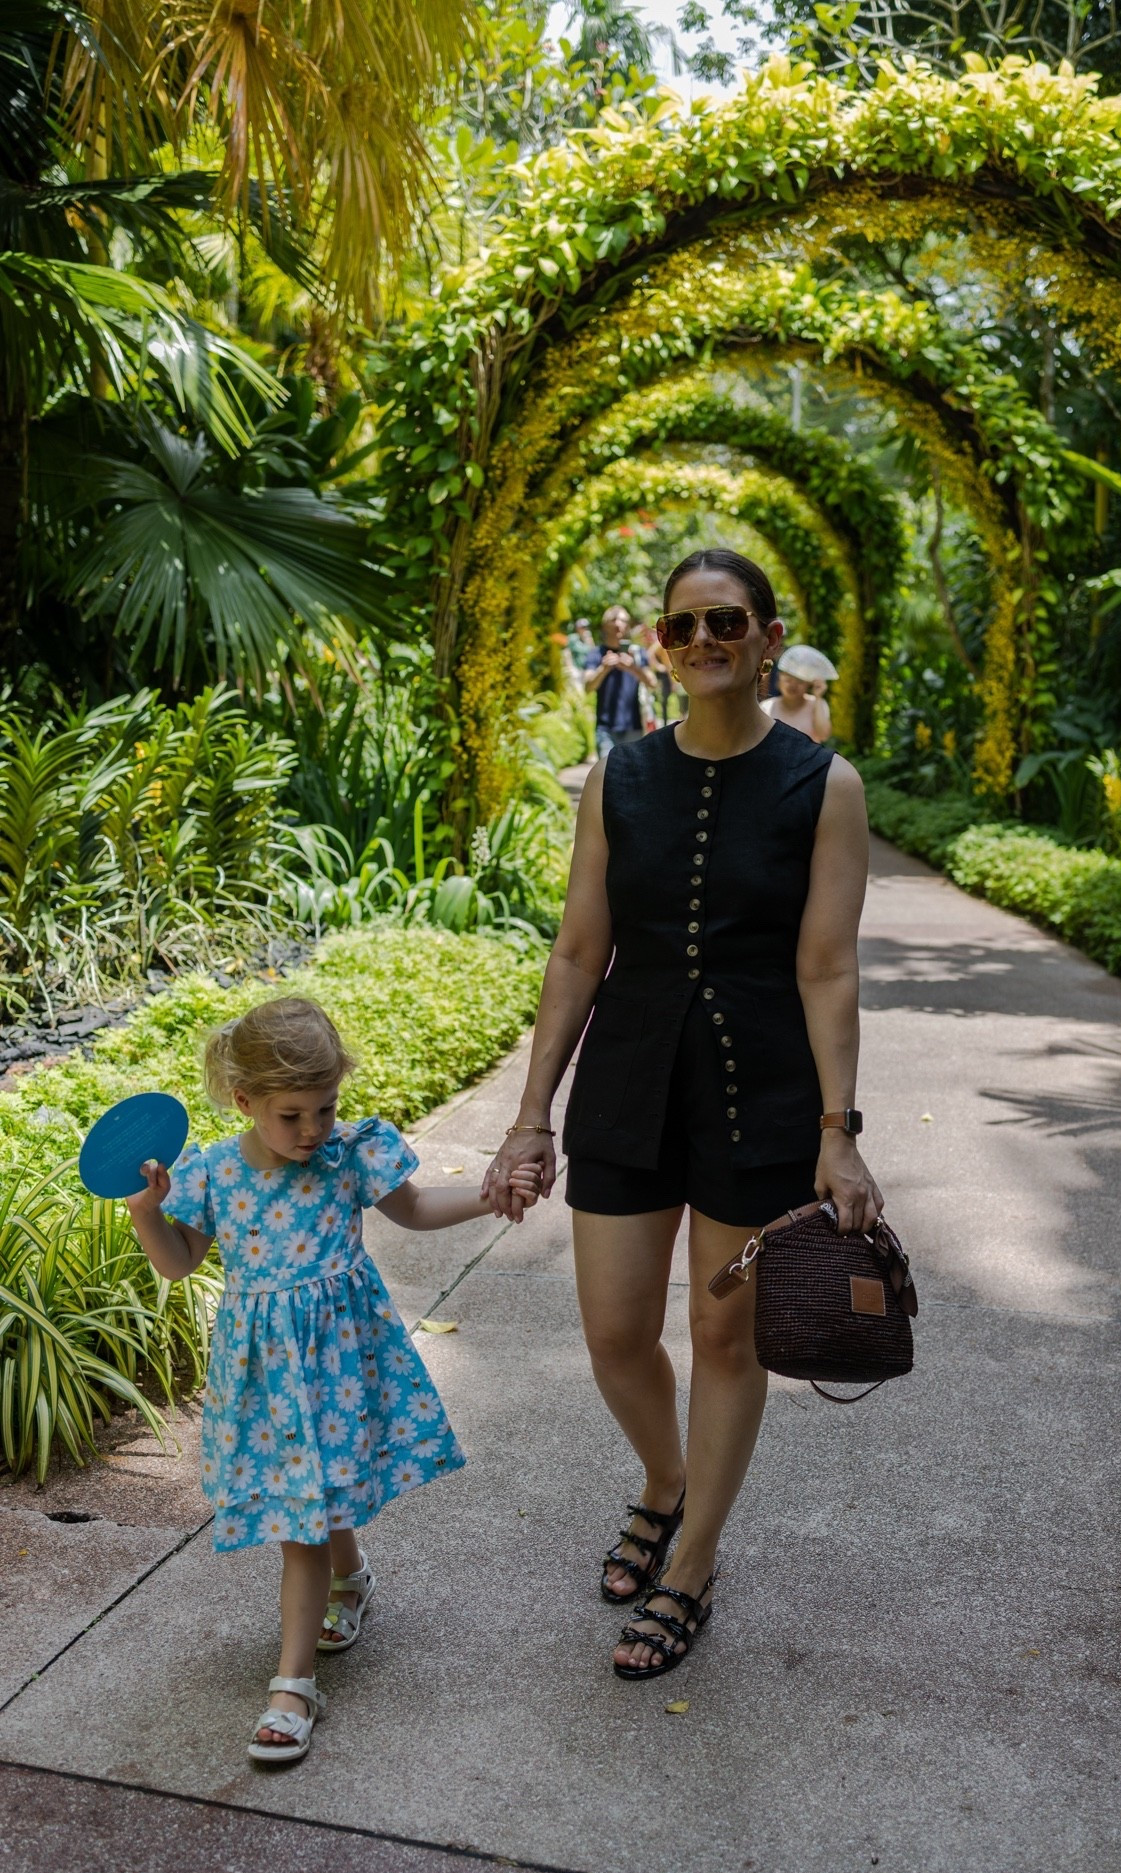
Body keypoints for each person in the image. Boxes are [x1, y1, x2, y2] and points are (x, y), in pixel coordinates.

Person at [483, 549, 881, 1682]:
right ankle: (666, 1480)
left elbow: (826, 970)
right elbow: (576, 949)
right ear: (659, 645)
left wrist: (837, 1129)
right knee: (614, 1332)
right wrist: (528, 1116)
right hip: (626, 1077)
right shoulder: (621, 776)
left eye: (723, 621)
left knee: (720, 1336)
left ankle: (694, 1558)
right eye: (679, 627)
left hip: (762, 1089)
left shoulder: (823, 785)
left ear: (763, 635)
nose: (701, 641)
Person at [124, 996, 543, 1766]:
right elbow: (179, 1261)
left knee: (305, 1519)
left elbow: (412, 1208)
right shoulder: (214, 1173)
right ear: (245, 1101)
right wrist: (147, 1214)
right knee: (308, 1509)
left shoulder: (349, 1153)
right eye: (292, 1116)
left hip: (343, 1362)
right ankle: (349, 1583)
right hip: (268, 1377)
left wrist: (489, 1197)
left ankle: (292, 1686)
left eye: (326, 1108)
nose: (312, 1130)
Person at [583, 603, 657, 757]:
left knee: (632, 778)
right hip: (605, 729)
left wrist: (633, 668)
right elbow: (588, 686)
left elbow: (652, 682)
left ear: (628, 626)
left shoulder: (637, 653)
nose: (618, 624)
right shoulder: (596, 654)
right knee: (608, 777)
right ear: (605, 626)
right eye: (614, 619)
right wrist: (603, 668)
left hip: (634, 728)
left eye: (623, 620)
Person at [762, 642, 838, 743]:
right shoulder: (767, 707)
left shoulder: (816, 705)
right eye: (788, 680)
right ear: (779, 679)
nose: (793, 686)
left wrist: (818, 698)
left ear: (808, 684)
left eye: (800, 682)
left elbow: (823, 735)